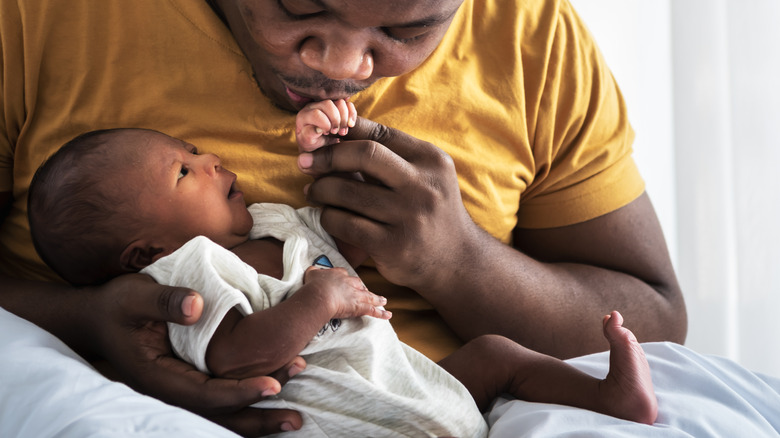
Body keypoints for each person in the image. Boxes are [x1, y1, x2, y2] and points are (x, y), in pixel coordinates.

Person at [0, 0, 686, 435]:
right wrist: (88, 318)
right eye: (299, 7)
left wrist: (460, 260)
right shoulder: (39, 16)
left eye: (408, 28)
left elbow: (656, 318)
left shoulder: (534, 34)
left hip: (439, 392)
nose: (344, 64)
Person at [27, 124, 657, 435]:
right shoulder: (187, 272)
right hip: (342, 420)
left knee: (496, 355)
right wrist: (319, 297)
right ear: (146, 253)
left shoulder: (272, 221)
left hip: (417, 387)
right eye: (184, 173)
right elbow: (238, 358)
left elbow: (344, 240)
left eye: (193, 149)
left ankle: (608, 400)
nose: (210, 160)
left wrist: (343, 154)